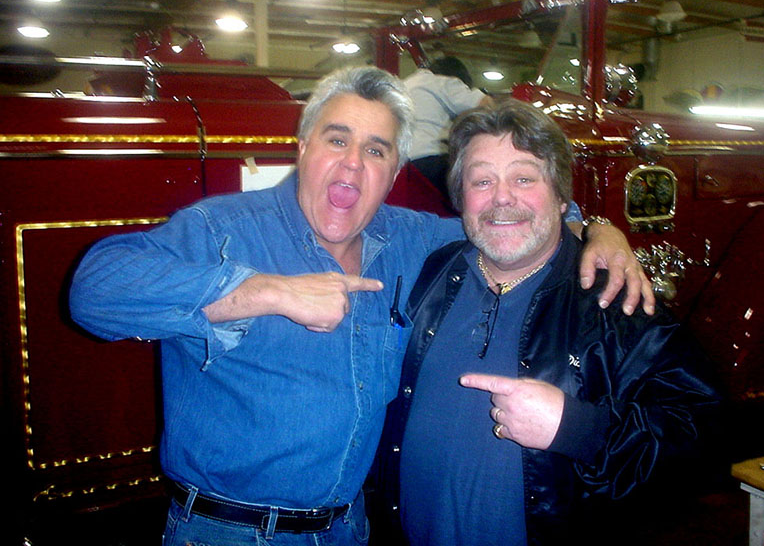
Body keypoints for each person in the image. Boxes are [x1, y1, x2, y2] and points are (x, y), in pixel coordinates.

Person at [69, 66, 652, 546]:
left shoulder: (413, 239)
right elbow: (93, 290)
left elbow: (506, 215)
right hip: (227, 531)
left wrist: (597, 228)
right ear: (303, 148)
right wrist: (265, 291)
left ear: (395, 172)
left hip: (353, 530)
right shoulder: (222, 228)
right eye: (337, 139)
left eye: (376, 150)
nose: (353, 164)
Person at [372, 100, 720, 546]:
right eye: (482, 180)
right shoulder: (434, 271)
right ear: (461, 200)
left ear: (561, 198)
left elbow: (704, 436)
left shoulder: (611, 298)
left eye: (523, 177)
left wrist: (579, 429)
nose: (502, 197)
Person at [404, 56, 491, 197]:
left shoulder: (404, 85)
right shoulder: (442, 82)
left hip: (402, 168)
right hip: (433, 163)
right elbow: (487, 105)